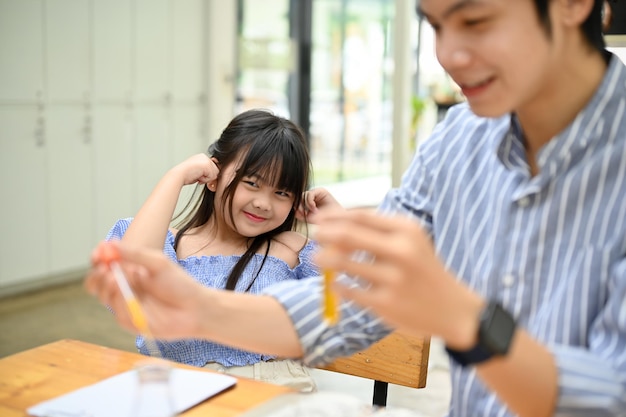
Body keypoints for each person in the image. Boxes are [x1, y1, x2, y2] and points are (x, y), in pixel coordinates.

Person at [86, 0, 626, 416]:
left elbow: (613, 391)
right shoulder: (455, 141)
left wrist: (467, 320)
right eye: (435, 25)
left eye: (476, 21)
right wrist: (198, 309)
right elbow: (350, 306)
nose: (449, 55)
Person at [102, 108, 319, 392]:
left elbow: (354, 299)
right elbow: (129, 277)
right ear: (214, 177)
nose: (264, 203)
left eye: (282, 193)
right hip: (180, 393)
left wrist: (336, 220)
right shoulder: (168, 247)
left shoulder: (290, 248)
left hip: (276, 394)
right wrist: (176, 177)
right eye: (252, 183)